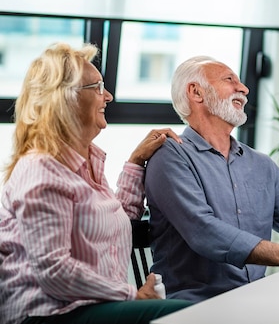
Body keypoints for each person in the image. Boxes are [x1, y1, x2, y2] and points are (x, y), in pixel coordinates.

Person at [0, 43, 193, 324]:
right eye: (98, 87)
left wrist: (136, 161)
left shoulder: (87, 160)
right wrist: (132, 295)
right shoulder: (40, 170)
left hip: (91, 308)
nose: (109, 96)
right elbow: (55, 272)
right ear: (65, 99)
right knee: (186, 315)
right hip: (48, 315)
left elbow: (116, 221)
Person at [144, 56, 279, 302]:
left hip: (256, 300)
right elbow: (205, 232)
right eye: (229, 80)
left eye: (241, 82)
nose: (244, 89)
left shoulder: (261, 164)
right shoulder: (170, 156)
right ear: (196, 92)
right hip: (192, 306)